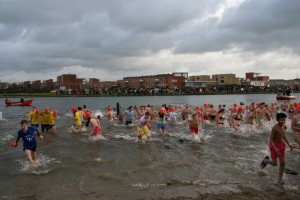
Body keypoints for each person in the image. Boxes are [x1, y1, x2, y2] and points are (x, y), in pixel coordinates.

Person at [260, 113, 293, 186]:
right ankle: (266, 161)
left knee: (283, 163)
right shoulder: (274, 128)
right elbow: (271, 140)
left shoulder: (284, 127)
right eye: (281, 120)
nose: (283, 121)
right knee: (275, 164)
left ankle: (279, 180)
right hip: (274, 146)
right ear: (277, 120)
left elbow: (283, 136)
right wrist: (276, 149)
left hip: (282, 145)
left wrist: (288, 144)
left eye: (284, 120)